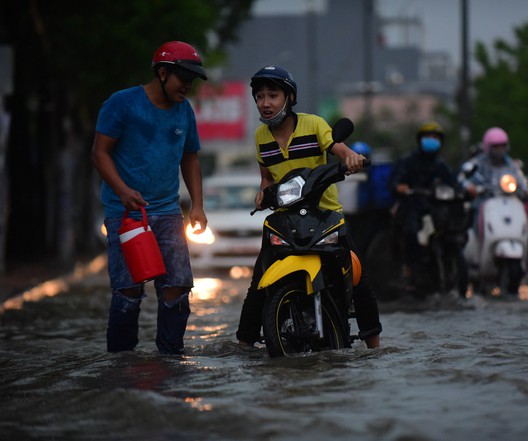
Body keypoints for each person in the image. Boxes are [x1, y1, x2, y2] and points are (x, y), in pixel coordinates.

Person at [235, 65, 382, 349]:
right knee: (257, 284)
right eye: (260, 96)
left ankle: (375, 348)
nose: (265, 103)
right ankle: (243, 346)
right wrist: (262, 193)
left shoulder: (314, 124)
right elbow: (267, 177)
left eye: (273, 95)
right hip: (284, 218)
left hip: (325, 215)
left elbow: (339, 149)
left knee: (358, 278)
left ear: (289, 98)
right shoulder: (260, 137)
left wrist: (352, 158)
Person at [92, 41, 208, 354]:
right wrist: (122, 190)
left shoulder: (185, 111)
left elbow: (191, 158)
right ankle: (122, 358)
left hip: (169, 212)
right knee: (128, 290)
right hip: (125, 213)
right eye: (183, 78)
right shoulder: (122, 104)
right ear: (161, 73)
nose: (187, 86)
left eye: (192, 80)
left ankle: (170, 355)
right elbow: (100, 153)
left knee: (178, 285)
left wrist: (197, 206)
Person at [389, 122, 456, 292]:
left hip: (435, 208)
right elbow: (394, 181)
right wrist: (400, 187)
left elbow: (453, 185)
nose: (432, 140)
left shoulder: (441, 165)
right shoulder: (407, 161)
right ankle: (409, 270)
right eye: (428, 137)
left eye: (435, 137)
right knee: (411, 231)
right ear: (420, 140)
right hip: (412, 206)